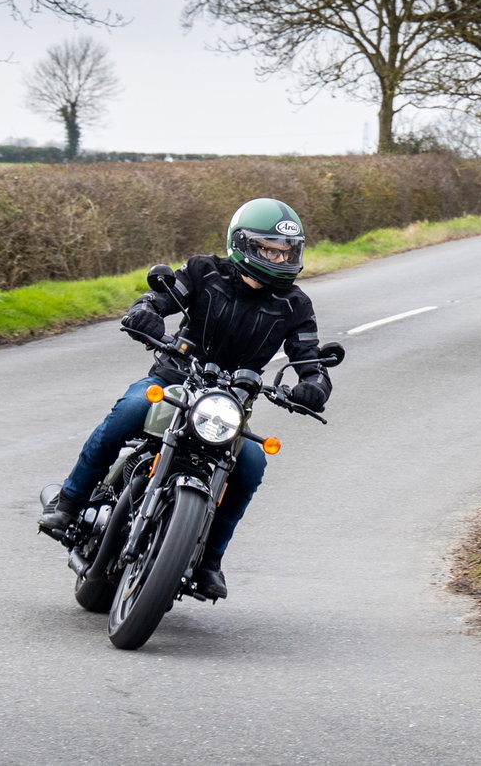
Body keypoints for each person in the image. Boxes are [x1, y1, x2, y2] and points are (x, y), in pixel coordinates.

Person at [38, 198, 333, 599]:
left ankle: (211, 559)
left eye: (287, 250)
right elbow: (159, 299)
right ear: (242, 244)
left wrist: (314, 384)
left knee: (251, 462)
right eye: (270, 248)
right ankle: (69, 502)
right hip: (176, 379)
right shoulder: (203, 271)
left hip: (228, 404)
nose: (280, 257)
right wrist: (145, 311)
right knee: (132, 409)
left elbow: (310, 359)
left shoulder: (295, 305)